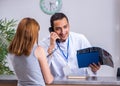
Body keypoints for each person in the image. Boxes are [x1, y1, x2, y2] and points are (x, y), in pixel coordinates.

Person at [39, 13, 101, 77]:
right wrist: (51, 47)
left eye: (65, 27)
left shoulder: (80, 39)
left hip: (80, 82)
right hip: (57, 83)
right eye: (58, 29)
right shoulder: (45, 43)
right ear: (52, 30)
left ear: (69, 26)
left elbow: (91, 65)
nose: (63, 32)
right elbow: (41, 69)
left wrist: (94, 69)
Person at [8, 17, 54, 86]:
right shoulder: (38, 50)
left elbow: (30, 66)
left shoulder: (12, 51)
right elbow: (48, 80)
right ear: (33, 34)